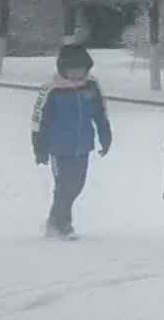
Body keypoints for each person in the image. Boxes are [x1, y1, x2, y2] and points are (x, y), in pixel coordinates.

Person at [31, 42, 112, 239]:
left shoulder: (91, 85)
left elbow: (100, 112)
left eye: (80, 69)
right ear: (63, 68)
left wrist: (105, 135)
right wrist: (39, 147)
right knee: (64, 185)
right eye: (72, 69)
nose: (76, 74)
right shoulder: (52, 89)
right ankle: (63, 224)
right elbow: (39, 120)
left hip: (82, 145)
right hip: (59, 147)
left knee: (77, 185)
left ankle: (54, 221)